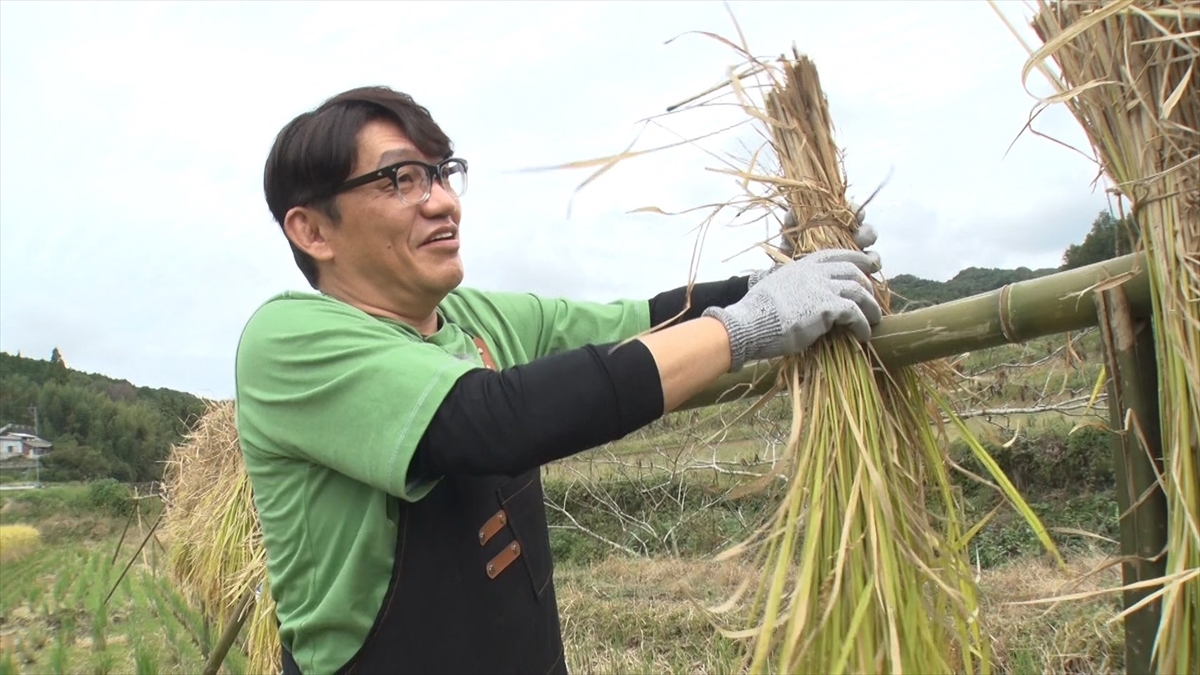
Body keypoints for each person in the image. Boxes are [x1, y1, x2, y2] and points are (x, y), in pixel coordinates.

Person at [235, 85, 884, 675]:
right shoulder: (288, 342)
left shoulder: (473, 318)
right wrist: (747, 328)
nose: (441, 201)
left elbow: (645, 324)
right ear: (313, 229)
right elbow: (495, 421)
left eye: (442, 173)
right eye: (400, 179)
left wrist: (776, 278)